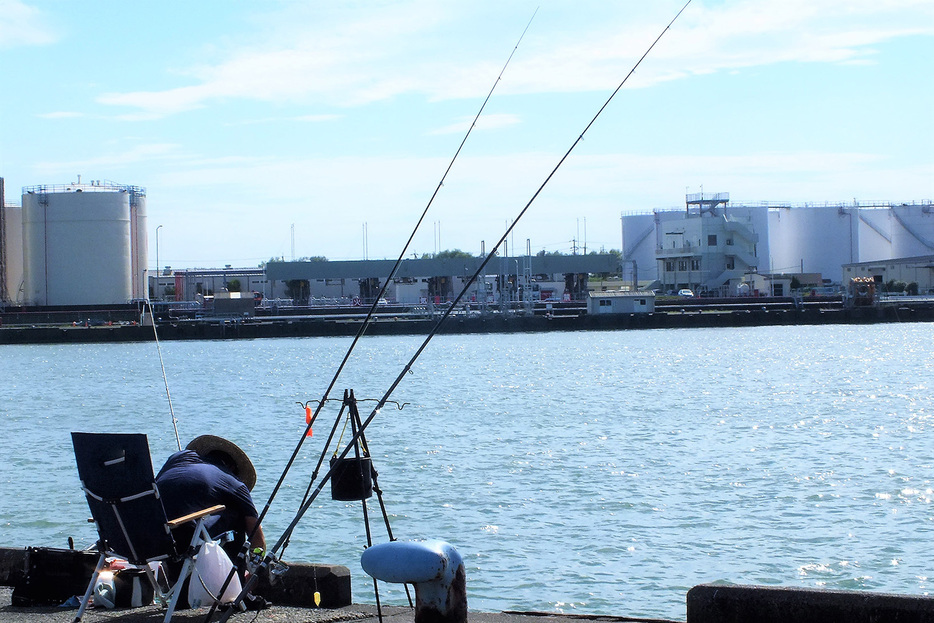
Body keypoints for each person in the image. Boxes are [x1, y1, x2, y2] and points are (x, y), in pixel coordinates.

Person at [155, 435, 266, 573]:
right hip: (181, 540)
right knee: (239, 517)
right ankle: (236, 579)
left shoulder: (178, 457)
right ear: (232, 468)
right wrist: (257, 566)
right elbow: (256, 535)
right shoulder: (234, 482)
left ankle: (177, 577)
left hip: (147, 533)